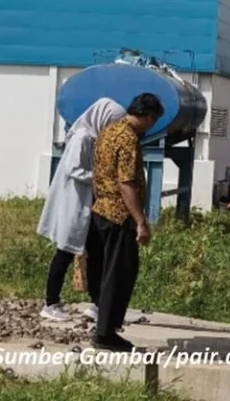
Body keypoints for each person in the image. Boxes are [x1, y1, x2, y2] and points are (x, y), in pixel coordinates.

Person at [86, 92, 165, 352]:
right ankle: (106, 333)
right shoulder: (129, 139)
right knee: (118, 274)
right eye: (153, 121)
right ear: (150, 117)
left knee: (104, 270)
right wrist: (140, 221)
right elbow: (127, 182)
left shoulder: (108, 132)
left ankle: (102, 324)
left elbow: (99, 172)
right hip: (119, 215)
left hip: (100, 210)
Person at [36, 97, 127, 323]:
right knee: (65, 252)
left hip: (87, 203)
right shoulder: (83, 137)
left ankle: (98, 304)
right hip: (74, 202)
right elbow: (73, 169)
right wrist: (101, 179)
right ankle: (51, 302)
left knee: (96, 254)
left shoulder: (94, 137)